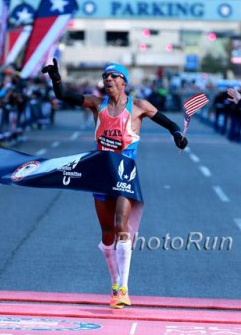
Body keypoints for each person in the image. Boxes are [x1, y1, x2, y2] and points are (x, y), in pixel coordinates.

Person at [42, 59, 188, 309]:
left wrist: (177, 135)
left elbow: (170, 124)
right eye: (104, 76)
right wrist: (55, 78)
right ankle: (114, 283)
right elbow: (64, 95)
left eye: (113, 75)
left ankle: (124, 288)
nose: (107, 79)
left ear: (124, 81)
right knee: (108, 234)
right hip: (101, 173)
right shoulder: (96, 104)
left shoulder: (139, 106)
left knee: (122, 226)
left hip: (125, 173)